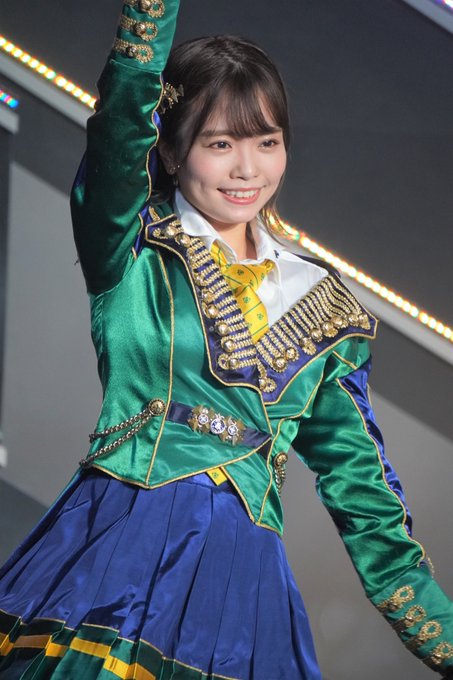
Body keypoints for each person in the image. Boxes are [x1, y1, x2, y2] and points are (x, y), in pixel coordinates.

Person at [0, 0, 452, 678]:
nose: (247, 169)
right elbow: (119, 123)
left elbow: (373, 515)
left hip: (243, 593)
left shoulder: (329, 306)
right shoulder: (131, 242)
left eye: (266, 142)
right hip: (116, 549)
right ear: (171, 149)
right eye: (220, 144)